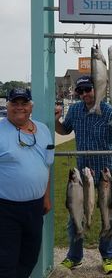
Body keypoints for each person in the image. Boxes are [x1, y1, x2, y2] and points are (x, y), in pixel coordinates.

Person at [55, 75, 112, 274]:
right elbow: (64, 130)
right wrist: (55, 120)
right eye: (80, 91)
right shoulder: (75, 110)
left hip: (108, 174)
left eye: (88, 89)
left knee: (109, 215)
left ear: (96, 89)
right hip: (83, 175)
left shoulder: (108, 110)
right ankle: (74, 257)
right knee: (76, 216)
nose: (84, 94)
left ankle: (108, 257)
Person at [0, 88, 54, 278]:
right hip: (5, 209)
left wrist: (46, 197)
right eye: (14, 103)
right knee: (6, 263)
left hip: (35, 208)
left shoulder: (44, 130)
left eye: (24, 103)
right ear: (7, 105)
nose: (19, 107)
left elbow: (46, 165)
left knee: (29, 257)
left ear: (31, 106)